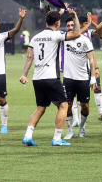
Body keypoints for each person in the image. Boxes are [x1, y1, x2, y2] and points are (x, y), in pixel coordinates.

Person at [20, 9, 81, 146]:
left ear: (46, 22)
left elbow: (30, 57)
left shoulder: (35, 37)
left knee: (41, 108)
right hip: (51, 78)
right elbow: (77, 33)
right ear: (58, 23)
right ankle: (57, 138)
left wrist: (24, 75)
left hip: (37, 78)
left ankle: (28, 136)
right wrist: (75, 16)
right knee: (63, 106)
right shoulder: (56, 35)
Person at [62, 17, 97, 139]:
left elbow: (91, 60)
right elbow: (52, 25)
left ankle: (82, 127)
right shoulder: (64, 38)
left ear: (77, 27)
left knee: (85, 106)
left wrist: (92, 77)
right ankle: (70, 130)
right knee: (67, 104)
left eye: (72, 25)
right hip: (68, 78)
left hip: (82, 78)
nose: (70, 28)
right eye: (68, 26)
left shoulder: (85, 40)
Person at [78, 14, 102, 121]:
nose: (88, 25)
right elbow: (79, 33)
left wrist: (93, 23)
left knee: (97, 87)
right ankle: (78, 118)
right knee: (80, 92)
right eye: (87, 23)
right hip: (78, 66)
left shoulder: (89, 32)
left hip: (91, 64)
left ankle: (101, 112)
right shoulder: (75, 33)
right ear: (81, 24)